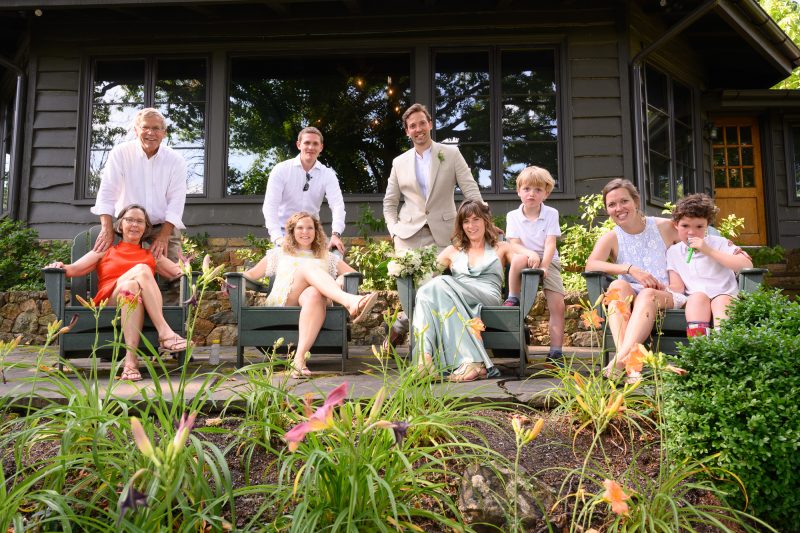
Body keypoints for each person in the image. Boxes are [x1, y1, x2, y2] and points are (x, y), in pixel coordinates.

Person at [382, 103, 485, 347]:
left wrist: (484, 218)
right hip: (407, 235)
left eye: (421, 123)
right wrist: (394, 231)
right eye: (412, 126)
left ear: (430, 124)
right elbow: (389, 202)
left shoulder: (450, 153)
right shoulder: (399, 162)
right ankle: (421, 348)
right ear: (407, 131)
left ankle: (406, 334)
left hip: (442, 235)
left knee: (429, 288)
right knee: (409, 291)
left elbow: (470, 189)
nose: (418, 129)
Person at [46, 204, 188, 382]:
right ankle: (165, 333)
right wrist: (59, 266)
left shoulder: (152, 255)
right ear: (120, 225)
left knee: (131, 286)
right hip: (109, 302)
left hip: (136, 302)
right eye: (129, 220)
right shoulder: (105, 250)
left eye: (140, 221)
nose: (134, 224)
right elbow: (73, 269)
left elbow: (180, 272)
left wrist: (188, 265)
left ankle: (130, 363)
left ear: (146, 228)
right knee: (142, 269)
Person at [412, 200, 540, 382]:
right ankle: (425, 360)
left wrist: (532, 253)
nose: (471, 226)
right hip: (454, 296)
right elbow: (425, 275)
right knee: (426, 292)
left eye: (476, 219)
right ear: (461, 225)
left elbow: (521, 257)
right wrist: (406, 266)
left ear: (486, 221)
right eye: (466, 221)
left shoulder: (500, 248)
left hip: (487, 296)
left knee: (440, 283)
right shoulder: (452, 251)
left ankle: (471, 361)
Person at [243, 212, 378, 378]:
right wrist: (227, 281)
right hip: (285, 301)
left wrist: (341, 279)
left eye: (310, 228)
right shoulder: (279, 253)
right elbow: (251, 275)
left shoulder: (326, 256)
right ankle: (349, 302)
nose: (305, 232)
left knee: (314, 293)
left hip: (313, 302)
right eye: (300, 228)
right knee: (308, 267)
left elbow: (354, 275)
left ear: (316, 232)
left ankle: (298, 360)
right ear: (292, 231)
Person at [585, 179, 686, 382]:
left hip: (665, 293)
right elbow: (591, 264)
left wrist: (726, 246)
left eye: (624, 201)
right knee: (616, 286)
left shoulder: (665, 227)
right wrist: (630, 269)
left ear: (636, 201)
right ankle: (631, 364)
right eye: (612, 205)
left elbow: (697, 233)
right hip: (632, 293)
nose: (618, 208)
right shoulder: (612, 237)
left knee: (647, 293)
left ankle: (619, 361)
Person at [91, 108, 187, 262]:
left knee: (177, 274)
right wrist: (106, 229)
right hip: (126, 225)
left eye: (156, 128)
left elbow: (176, 201)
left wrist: (164, 236)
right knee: (111, 263)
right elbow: (107, 193)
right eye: (145, 127)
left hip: (162, 227)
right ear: (136, 130)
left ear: (164, 132)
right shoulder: (120, 153)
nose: (150, 133)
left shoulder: (176, 160)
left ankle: (174, 285)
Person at [504, 166, 566, 364]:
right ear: (519, 191)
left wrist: (545, 265)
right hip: (524, 255)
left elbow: (550, 243)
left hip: (549, 259)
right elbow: (513, 244)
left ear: (546, 194)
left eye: (538, 190)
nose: (532, 194)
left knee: (558, 305)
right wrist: (530, 253)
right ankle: (513, 296)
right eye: (527, 189)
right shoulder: (513, 216)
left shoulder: (551, 213)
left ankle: (556, 350)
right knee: (518, 258)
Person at [666, 194, 753, 335]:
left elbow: (747, 265)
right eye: (685, 225)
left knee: (722, 300)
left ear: (707, 225)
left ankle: (722, 344)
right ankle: (699, 345)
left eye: (699, 226)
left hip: (726, 295)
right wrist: (660, 287)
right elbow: (677, 287)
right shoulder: (673, 252)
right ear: (676, 225)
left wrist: (708, 250)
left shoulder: (719, 243)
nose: (691, 232)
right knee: (696, 298)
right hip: (697, 301)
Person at [262, 127, 346, 255]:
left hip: (312, 232)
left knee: (335, 257)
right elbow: (270, 206)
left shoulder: (328, 174)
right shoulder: (281, 170)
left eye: (315, 143)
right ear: (298, 144)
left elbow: (337, 205)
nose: (311, 147)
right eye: (307, 143)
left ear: (321, 147)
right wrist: (278, 238)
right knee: (280, 267)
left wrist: (336, 234)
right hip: (284, 232)